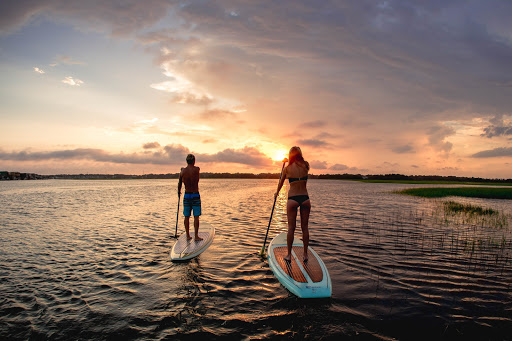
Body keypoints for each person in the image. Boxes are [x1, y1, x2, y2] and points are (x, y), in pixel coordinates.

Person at [275, 146, 311, 262]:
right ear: (300, 154)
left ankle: (289, 255)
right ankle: (305, 254)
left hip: (293, 198)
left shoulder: (287, 169)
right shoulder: (306, 165)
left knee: (291, 228)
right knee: (305, 228)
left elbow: (281, 183)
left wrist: (276, 193)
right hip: (305, 198)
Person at [178, 154, 203, 241]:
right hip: (195, 194)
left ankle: (188, 235)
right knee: (196, 216)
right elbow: (197, 169)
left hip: (187, 195)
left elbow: (179, 183)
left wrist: (178, 192)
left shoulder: (182, 171)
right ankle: (196, 236)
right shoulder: (197, 169)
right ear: (194, 161)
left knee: (186, 216)